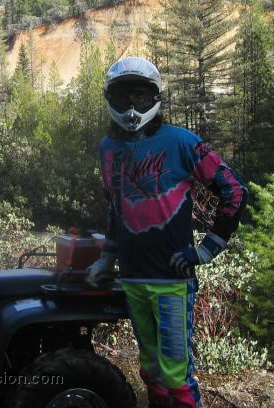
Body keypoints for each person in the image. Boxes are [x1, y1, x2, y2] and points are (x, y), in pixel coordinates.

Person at [85, 56, 247, 408]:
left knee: (176, 373)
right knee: (151, 369)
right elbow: (116, 206)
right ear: (110, 98)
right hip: (133, 277)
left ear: (155, 97)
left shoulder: (182, 142)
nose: (131, 107)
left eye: (140, 97)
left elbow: (234, 190)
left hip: (171, 279)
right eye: (124, 96)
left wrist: (206, 249)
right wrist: (107, 259)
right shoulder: (108, 149)